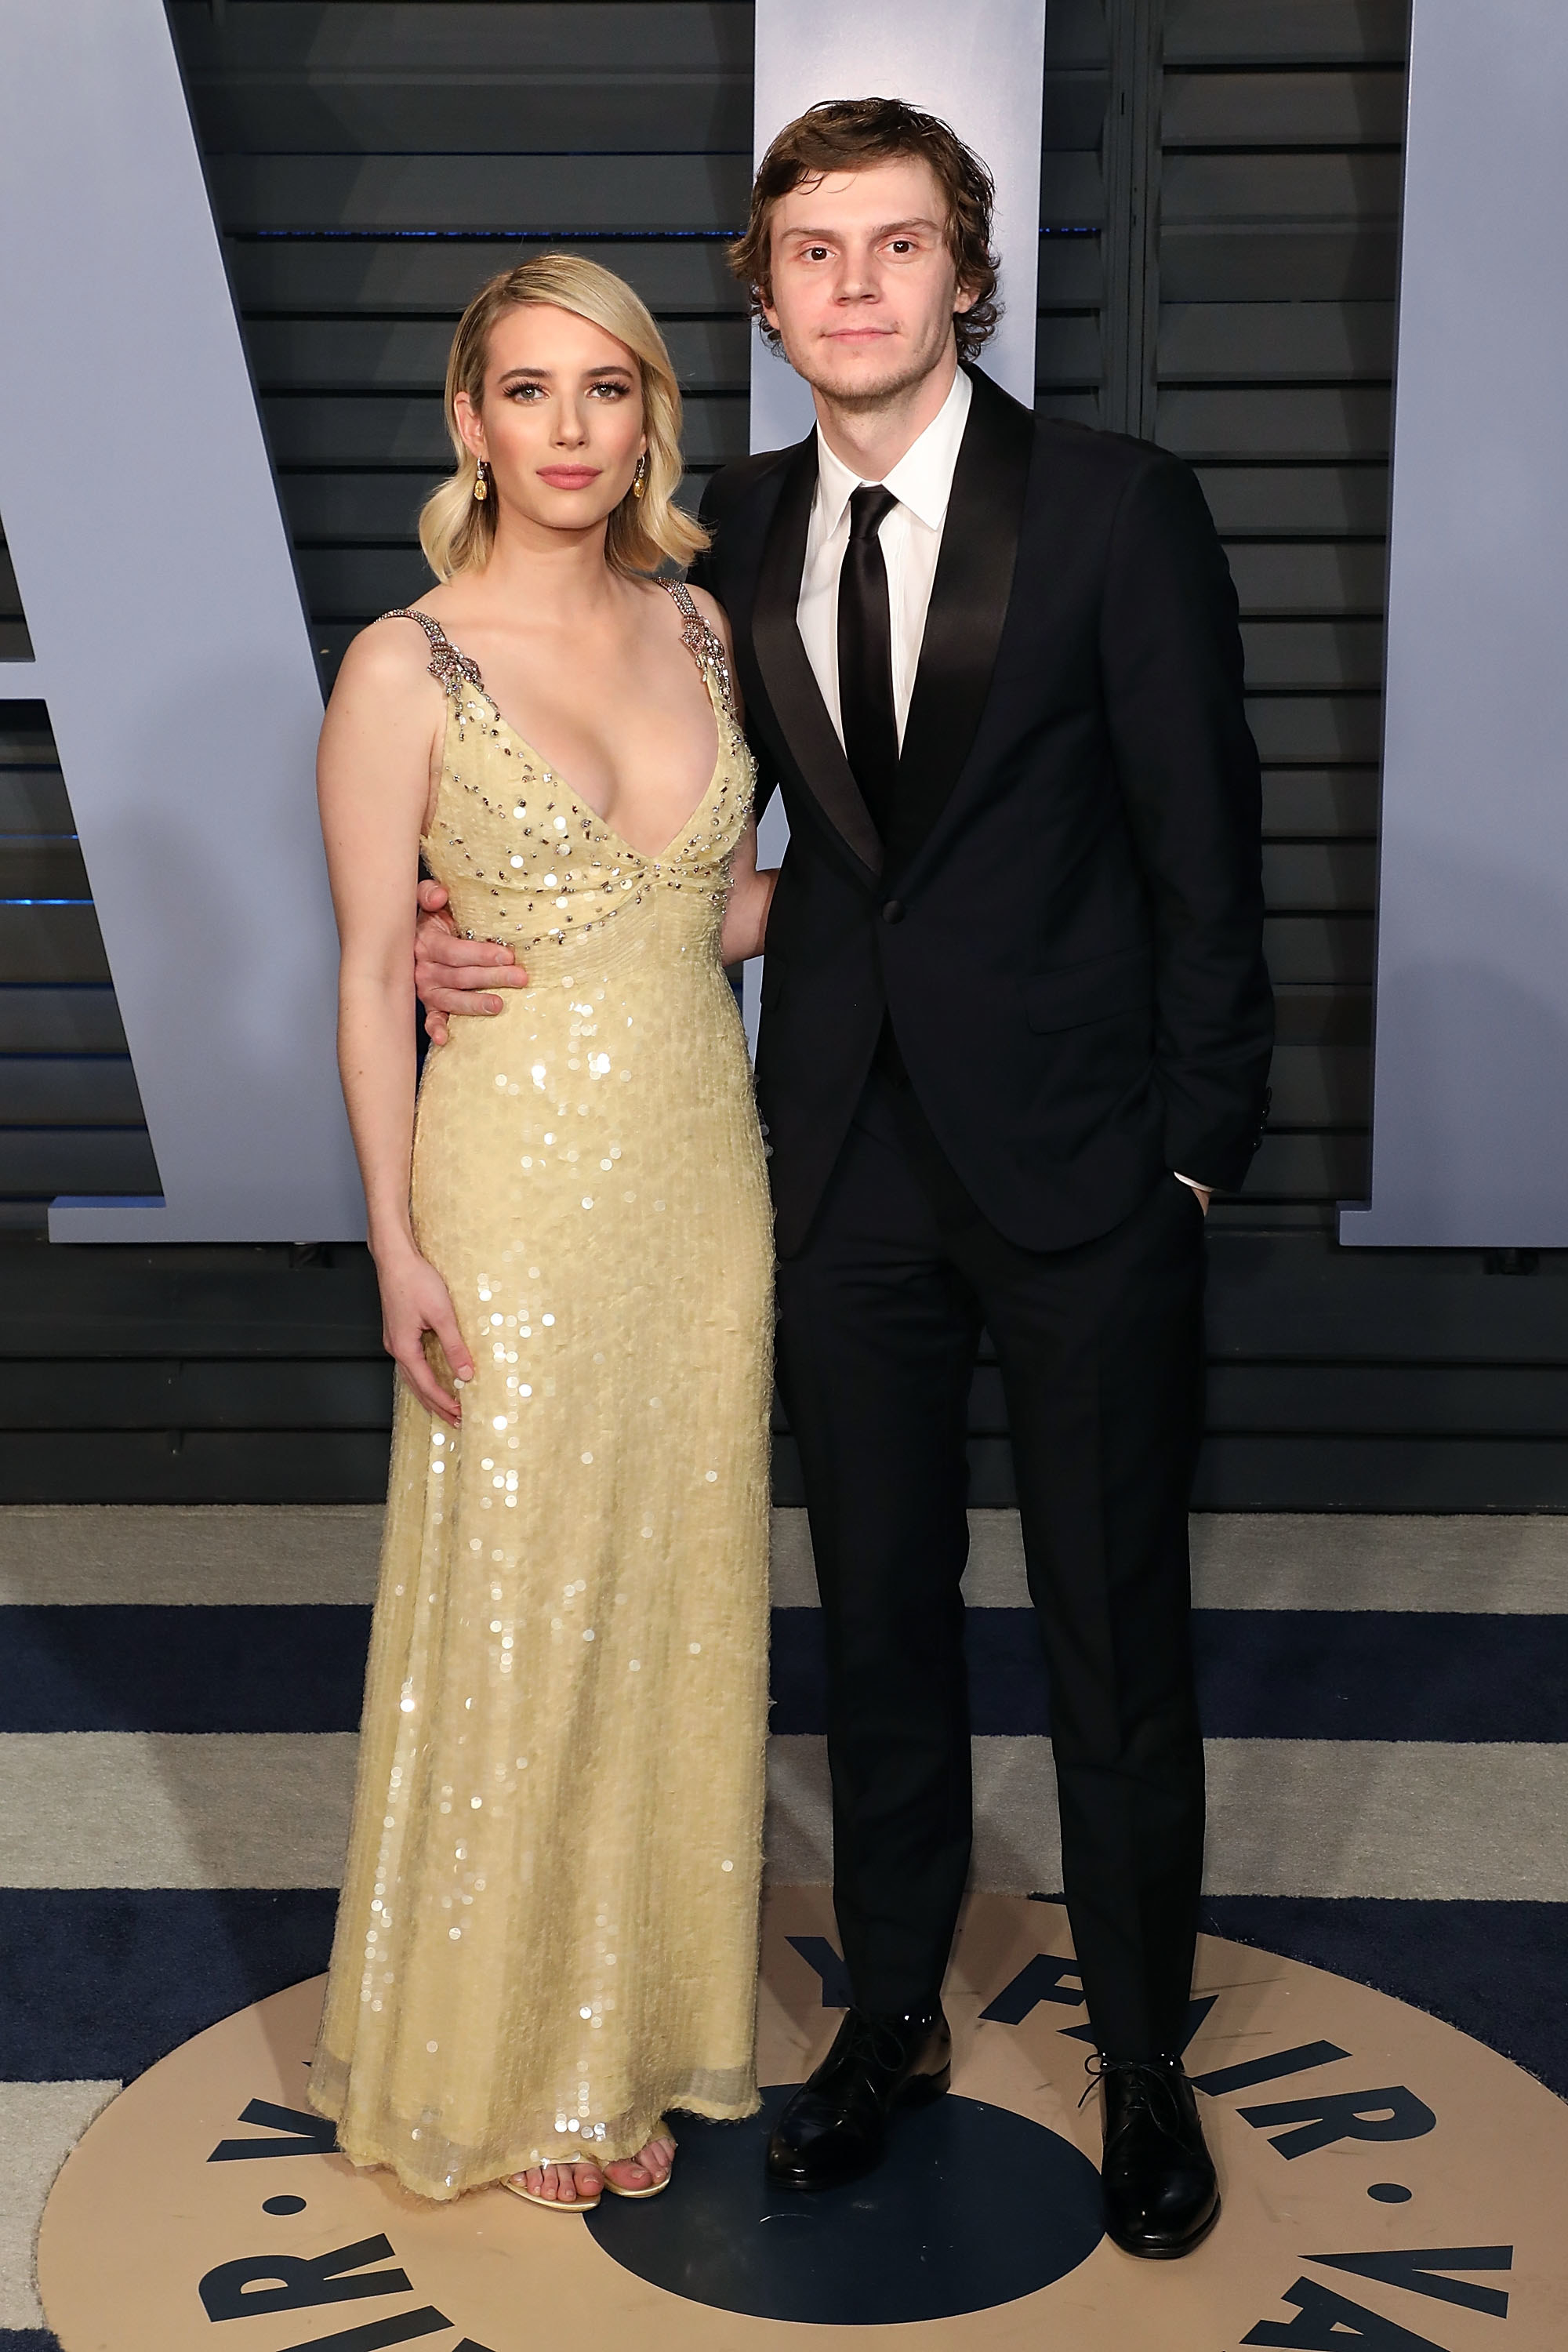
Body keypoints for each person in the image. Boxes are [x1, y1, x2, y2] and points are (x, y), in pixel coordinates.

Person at [416, 100, 1273, 2259]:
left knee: (1113, 1635)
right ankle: (886, 2013)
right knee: (880, 1623)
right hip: (837, 1168)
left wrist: (1195, 1170)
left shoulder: (1116, 508)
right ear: (768, 291)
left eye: (901, 248)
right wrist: (466, 934)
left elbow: (1209, 869)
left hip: (1092, 1178)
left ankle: (1146, 2062)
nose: (861, 285)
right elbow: (666, 817)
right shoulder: (716, 549)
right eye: (819, 252)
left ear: (968, 278)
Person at [310, 254, 776, 2212]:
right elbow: (360, 976)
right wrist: (396, 1250)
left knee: (675, 1597)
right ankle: (509, 2062)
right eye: (530, 389)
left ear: (648, 412)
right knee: (518, 1609)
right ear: (467, 421)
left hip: (701, 1183)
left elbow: (722, 910)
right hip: (508, 1191)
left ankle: (638, 2019)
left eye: (608, 387)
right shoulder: (403, 663)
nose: (572, 428)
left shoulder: (703, 625)